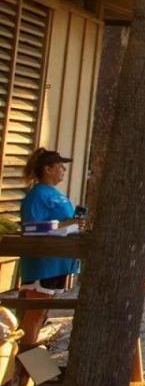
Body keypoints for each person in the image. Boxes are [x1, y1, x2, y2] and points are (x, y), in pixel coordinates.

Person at [17, 149, 84, 351]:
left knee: (43, 311)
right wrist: (66, 225)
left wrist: (73, 223)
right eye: (59, 166)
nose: (64, 169)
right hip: (42, 263)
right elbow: (32, 226)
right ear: (47, 169)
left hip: (58, 262)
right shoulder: (36, 195)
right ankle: (23, 359)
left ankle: (30, 358)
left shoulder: (55, 194)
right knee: (35, 310)